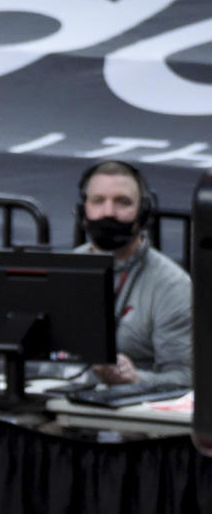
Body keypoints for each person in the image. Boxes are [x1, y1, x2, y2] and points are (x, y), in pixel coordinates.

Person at [75, 160, 192, 387]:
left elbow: (186, 377)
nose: (108, 212)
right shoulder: (65, 269)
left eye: (122, 202)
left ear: (143, 213)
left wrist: (135, 378)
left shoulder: (172, 285)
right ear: (83, 211)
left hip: (128, 414)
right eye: (98, 201)